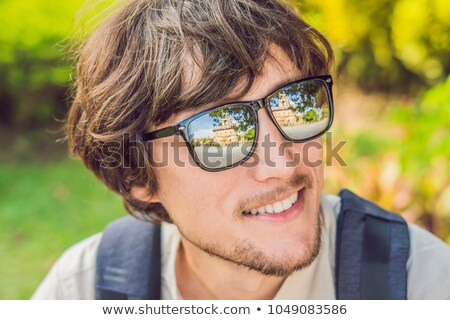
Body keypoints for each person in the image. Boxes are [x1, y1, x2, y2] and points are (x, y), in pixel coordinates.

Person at [33, 0, 450, 300]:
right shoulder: (85, 290)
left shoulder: (420, 284)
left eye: (294, 102)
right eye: (220, 130)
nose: (283, 162)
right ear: (135, 175)